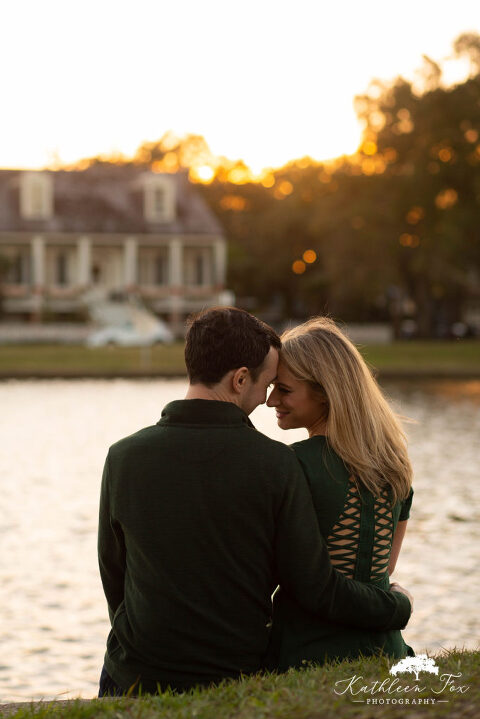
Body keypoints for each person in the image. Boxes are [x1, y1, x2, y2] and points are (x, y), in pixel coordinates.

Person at [97, 307, 412, 696]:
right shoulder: (277, 463)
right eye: (267, 385)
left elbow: (113, 574)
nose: (267, 400)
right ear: (240, 379)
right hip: (233, 675)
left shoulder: (122, 456)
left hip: (132, 673)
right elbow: (312, 583)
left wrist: (139, 642)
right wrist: (396, 606)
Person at [266, 317, 414, 670]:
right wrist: (399, 606)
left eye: (284, 389)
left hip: (310, 651)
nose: (271, 400)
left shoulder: (292, 464)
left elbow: (293, 580)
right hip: (386, 648)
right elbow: (385, 567)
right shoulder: (395, 463)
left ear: (324, 392)